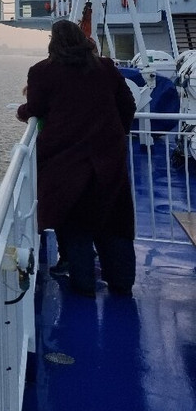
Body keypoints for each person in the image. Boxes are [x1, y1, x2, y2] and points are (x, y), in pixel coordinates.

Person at [16, 19, 138, 296]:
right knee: (115, 222)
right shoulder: (104, 67)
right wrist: (115, 137)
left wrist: (22, 113)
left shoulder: (42, 72)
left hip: (65, 161)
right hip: (108, 159)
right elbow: (127, 105)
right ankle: (122, 284)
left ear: (53, 41)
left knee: (75, 225)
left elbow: (35, 108)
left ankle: (84, 288)